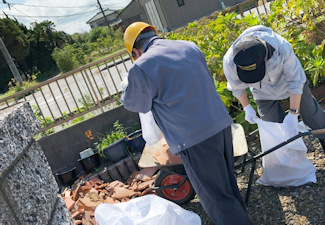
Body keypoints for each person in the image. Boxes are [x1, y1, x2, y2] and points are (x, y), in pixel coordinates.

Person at [121, 22, 253, 225]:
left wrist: (128, 84)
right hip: (221, 125)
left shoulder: (141, 66)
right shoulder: (189, 46)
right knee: (227, 189)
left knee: (217, 200)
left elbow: (135, 103)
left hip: (194, 139)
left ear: (135, 52)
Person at [223, 25, 325, 150]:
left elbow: (295, 81)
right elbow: (236, 87)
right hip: (262, 92)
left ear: (264, 58)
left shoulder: (281, 46)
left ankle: (324, 137)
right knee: (273, 129)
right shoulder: (229, 61)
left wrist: (293, 114)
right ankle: (289, 159)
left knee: (311, 113)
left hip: (288, 84)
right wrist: (247, 107)